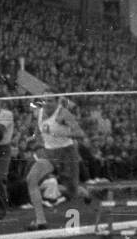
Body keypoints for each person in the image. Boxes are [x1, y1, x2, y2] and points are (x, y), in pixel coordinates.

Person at [24, 96, 91, 230]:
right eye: (45, 101)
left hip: (67, 153)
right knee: (31, 179)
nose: (47, 104)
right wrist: (33, 139)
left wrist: (61, 133)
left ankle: (85, 193)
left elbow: (80, 133)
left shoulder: (63, 114)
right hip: (49, 153)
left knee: (72, 191)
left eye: (50, 101)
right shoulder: (39, 113)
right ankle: (40, 221)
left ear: (57, 102)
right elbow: (39, 130)